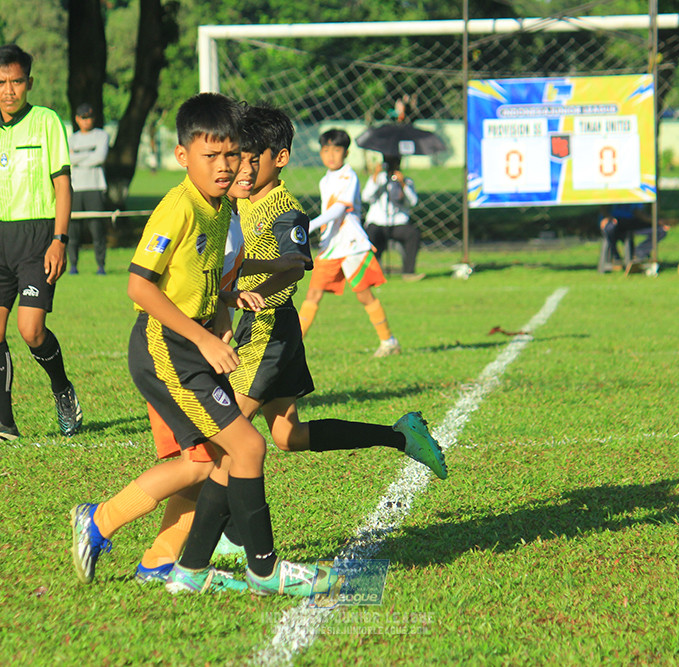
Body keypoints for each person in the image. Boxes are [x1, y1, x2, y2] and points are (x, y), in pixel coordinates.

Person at [132, 105, 447, 584]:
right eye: (235, 157)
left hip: (268, 330)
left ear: (277, 159)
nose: (239, 167)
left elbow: (298, 261)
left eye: (248, 157)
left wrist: (237, 272)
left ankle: (202, 551)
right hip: (261, 329)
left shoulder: (283, 208)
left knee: (227, 444)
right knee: (286, 437)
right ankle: (400, 436)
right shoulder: (236, 202)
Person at [69, 92, 332, 597]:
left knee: (207, 461)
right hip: (166, 349)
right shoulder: (180, 208)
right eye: (210, 156)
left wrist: (229, 300)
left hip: (187, 344)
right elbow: (140, 287)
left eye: (231, 155)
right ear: (182, 155)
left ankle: (157, 559)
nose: (223, 166)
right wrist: (203, 340)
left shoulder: (217, 209)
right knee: (245, 447)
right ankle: (262, 570)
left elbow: (196, 280)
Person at [0, 44, 82, 445]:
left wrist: (59, 239)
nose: (10, 90)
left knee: (30, 329)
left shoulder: (47, 122)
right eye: (1, 82)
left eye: (17, 82)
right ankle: (3, 425)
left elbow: (63, 184)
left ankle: (62, 390)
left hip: (37, 237)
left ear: (29, 82)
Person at [300, 128, 402, 358]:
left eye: (336, 150)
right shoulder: (325, 180)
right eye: (326, 150)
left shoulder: (348, 176)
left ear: (346, 153)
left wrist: (310, 225)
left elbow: (339, 209)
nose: (331, 155)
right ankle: (294, 346)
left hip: (351, 244)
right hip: (330, 246)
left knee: (364, 295)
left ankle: (389, 341)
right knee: (313, 294)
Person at [362, 155, 424, 281]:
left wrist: (402, 184)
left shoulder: (406, 181)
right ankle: (371, 272)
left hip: (398, 222)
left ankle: (408, 272)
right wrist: (375, 176)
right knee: (370, 234)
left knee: (413, 233)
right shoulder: (377, 180)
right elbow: (365, 197)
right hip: (377, 222)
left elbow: (413, 202)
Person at [67, 103, 110, 275]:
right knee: (73, 230)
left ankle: (100, 265)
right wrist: (88, 156)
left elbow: (99, 158)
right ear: (77, 119)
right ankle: (73, 265)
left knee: (97, 229)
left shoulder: (102, 136)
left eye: (89, 117)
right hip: (76, 188)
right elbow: (67, 159)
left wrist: (78, 159)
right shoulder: (71, 139)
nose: (87, 121)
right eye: (83, 118)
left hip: (95, 187)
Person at [599, 203, 667, 262]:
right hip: (615, 222)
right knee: (609, 229)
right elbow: (603, 207)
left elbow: (638, 213)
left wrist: (658, 222)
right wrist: (607, 217)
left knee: (661, 230)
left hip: (631, 222)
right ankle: (616, 257)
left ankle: (638, 252)